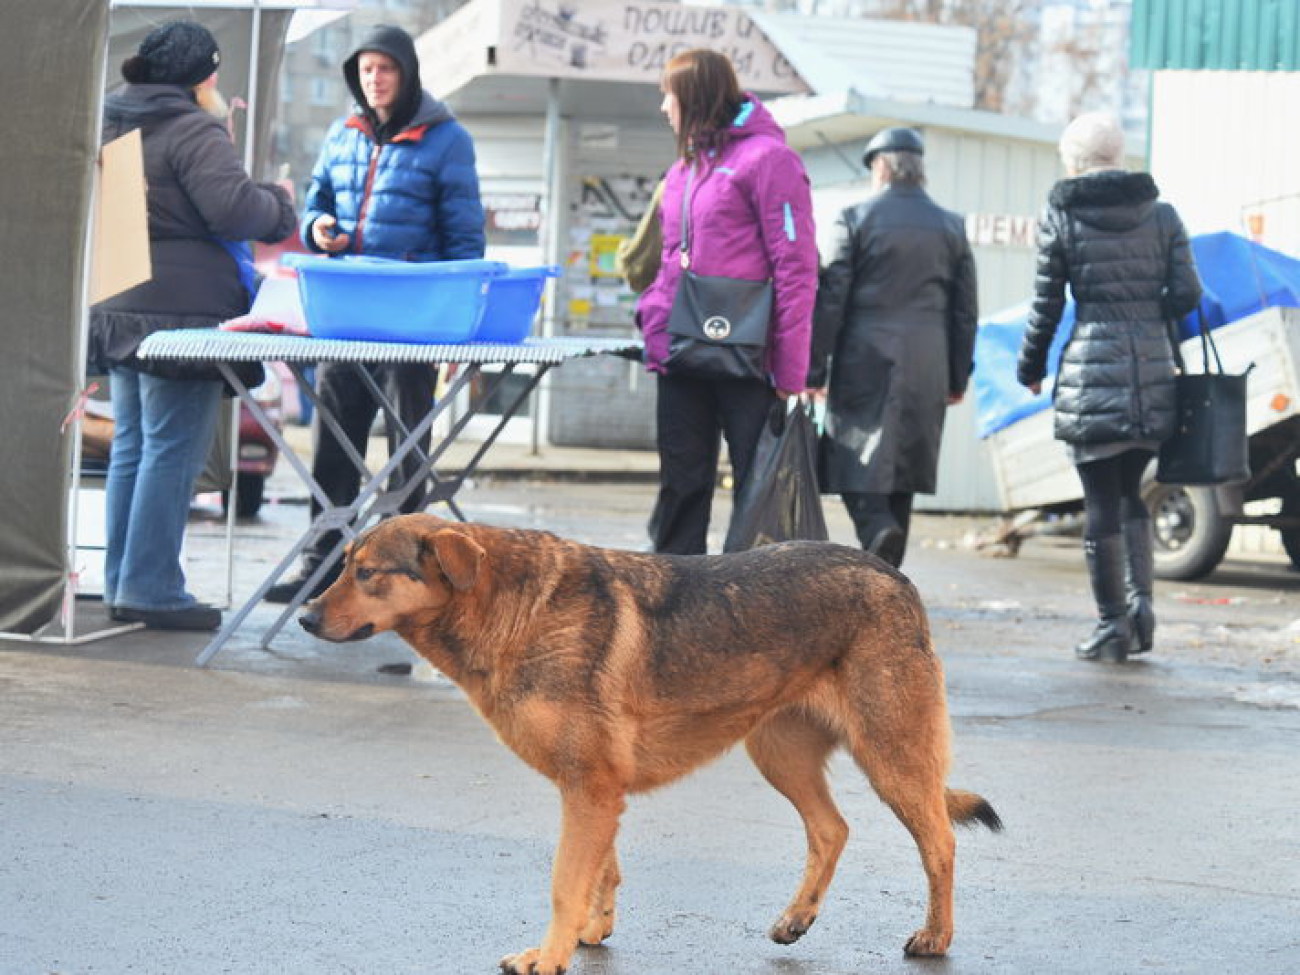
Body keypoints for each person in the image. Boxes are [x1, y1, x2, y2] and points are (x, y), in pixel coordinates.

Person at [265, 24, 486, 603]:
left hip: (417, 324)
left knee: (408, 451)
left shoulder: (448, 139)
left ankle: (408, 574)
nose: (374, 78)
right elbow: (317, 202)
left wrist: (462, 324)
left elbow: (466, 239)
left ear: (407, 72)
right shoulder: (343, 134)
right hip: (347, 317)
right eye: (365, 69)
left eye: (384, 68)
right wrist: (318, 228)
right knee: (334, 444)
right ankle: (321, 563)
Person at [90, 20, 296, 631]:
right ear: (201, 76)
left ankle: (123, 579)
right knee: (171, 449)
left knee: (133, 446)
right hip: (181, 313)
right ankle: (152, 587)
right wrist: (280, 199)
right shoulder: (191, 128)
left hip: (118, 300)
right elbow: (233, 211)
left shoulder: (107, 118)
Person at [1017, 111, 1202, 663]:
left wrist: (1030, 367)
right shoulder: (1162, 215)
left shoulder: (1063, 216)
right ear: (1120, 156)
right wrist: (1149, 317)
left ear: (1073, 161)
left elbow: (1047, 305)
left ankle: (1110, 625)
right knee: (1131, 496)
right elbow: (1188, 293)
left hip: (1090, 373)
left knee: (1100, 502)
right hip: (1152, 378)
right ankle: (1141, 610)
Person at [635, 49, 818, 554]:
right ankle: (672, 608)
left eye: (667, 96)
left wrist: (790, 371)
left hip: (749, 358)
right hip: (683, 350)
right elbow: (671, 260)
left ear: (693, 96)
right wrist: (652, 321)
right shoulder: (684, 169)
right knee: (680, 485)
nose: (663, 108)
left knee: (757, 490)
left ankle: (751, 617)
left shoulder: (769, 160)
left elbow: (796, 267)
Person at [810, 127, 978, 569]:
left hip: (863, 354)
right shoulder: (951, 226)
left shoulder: (853, 219)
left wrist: (813, 369)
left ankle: (875, 530)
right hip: (929, 358)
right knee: (904, 465)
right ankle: (888, 573)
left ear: (881, 167)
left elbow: (832, 300)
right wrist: (958, 376)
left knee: (850, 456)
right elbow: (965, 311)